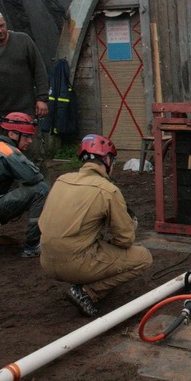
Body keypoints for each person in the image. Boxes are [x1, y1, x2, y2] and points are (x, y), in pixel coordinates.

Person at [39, 134, 152, 317]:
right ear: (107, 160)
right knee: (143, 258)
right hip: (75, 264)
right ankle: (88, 292)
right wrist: (130, 225)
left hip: (47, 260)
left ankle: (83, 281)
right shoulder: (107, 190)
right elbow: (125, 240)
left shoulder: (61, 180)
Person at [0, 10, 49, 165]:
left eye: (1, 25)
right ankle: (7, 189)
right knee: (1, 157)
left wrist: (42, 98)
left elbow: (39, 70)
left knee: (34, 154)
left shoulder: (22, 41)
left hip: (24, 110)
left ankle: (40, 188)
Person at [0, 112, 49, 257]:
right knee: (40, 189)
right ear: (12, 134)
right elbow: (34, 177)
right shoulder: (7, 151)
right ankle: (32, 246)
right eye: (27, 136)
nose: (29, 141)